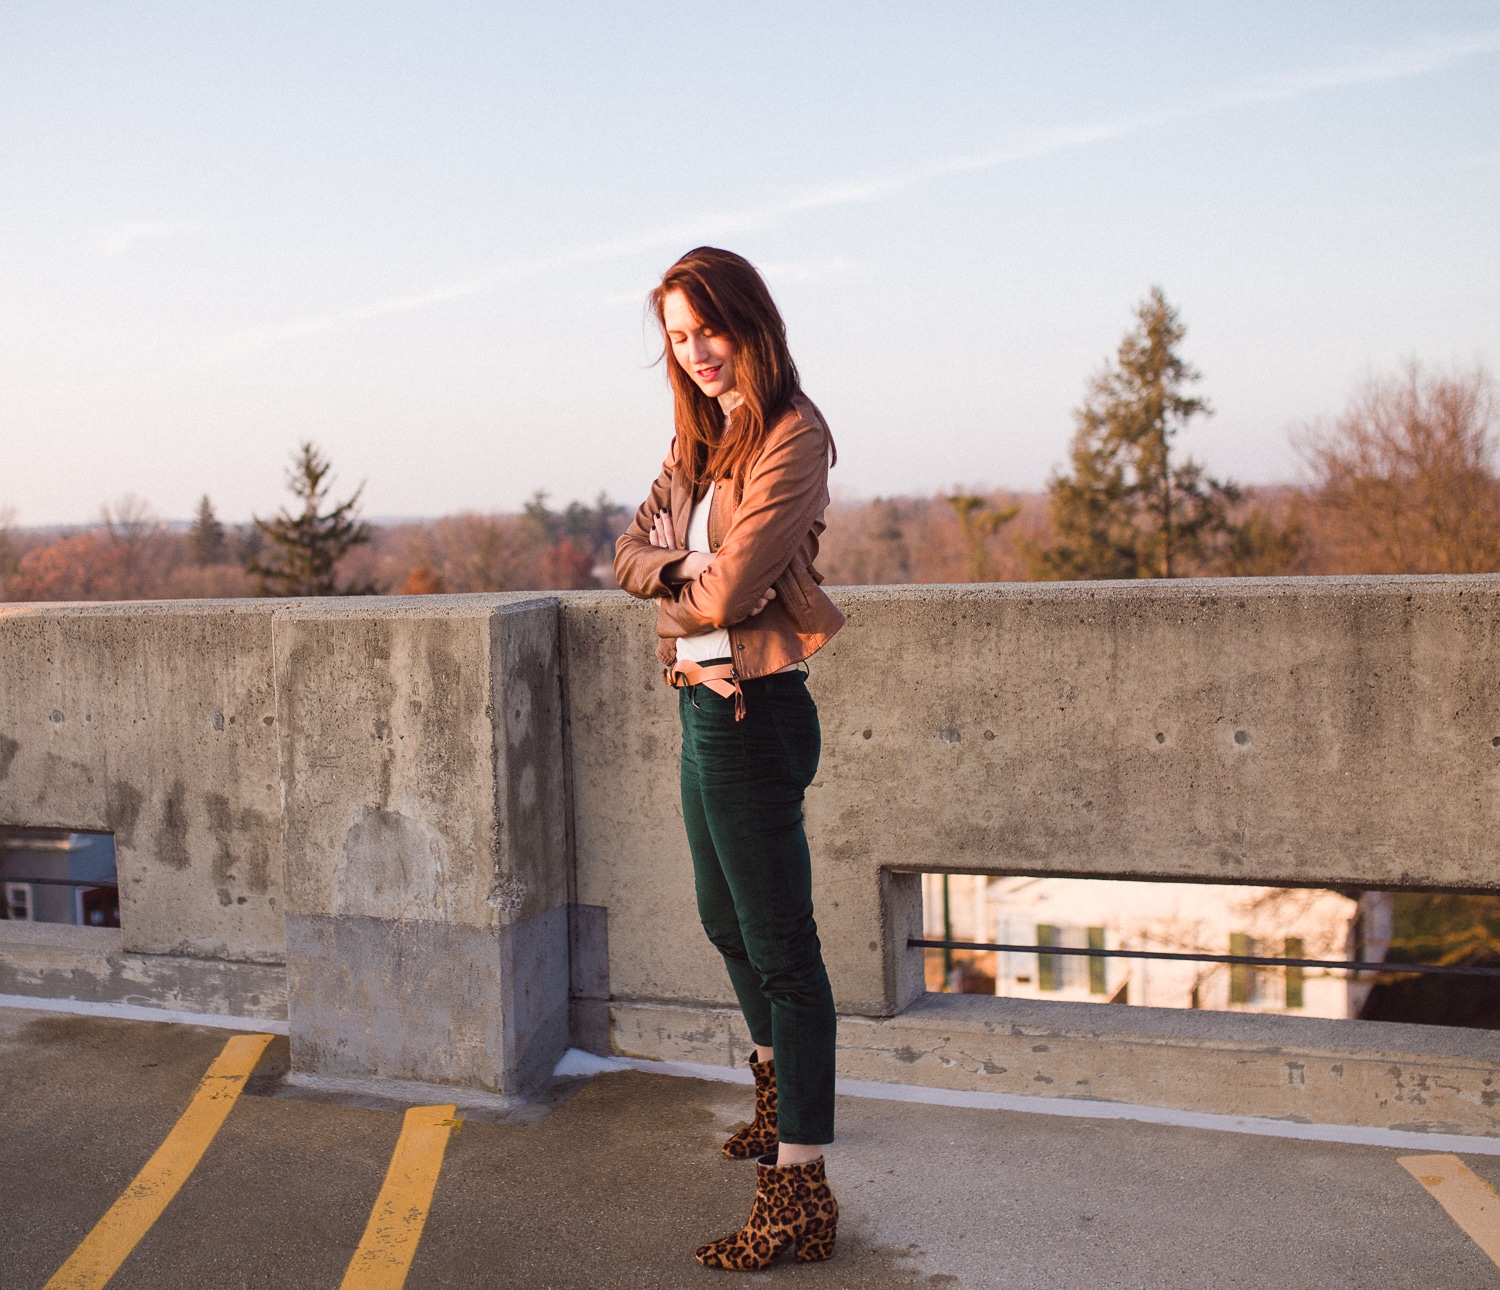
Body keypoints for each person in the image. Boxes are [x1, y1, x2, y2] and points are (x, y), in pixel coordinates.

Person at [614, 246, 845, 1269]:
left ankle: (800, 1189)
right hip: (700, 703)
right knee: (723, 918)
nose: (697, 351)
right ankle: (772, 1094)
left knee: (785, 950)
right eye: (677, 336)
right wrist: (677, 564)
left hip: (758, 713)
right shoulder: (696, 443)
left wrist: (687, 581)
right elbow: (627, 555)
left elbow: (733, 593)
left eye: (708, 327)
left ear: (749, 320)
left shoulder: (793, 436)